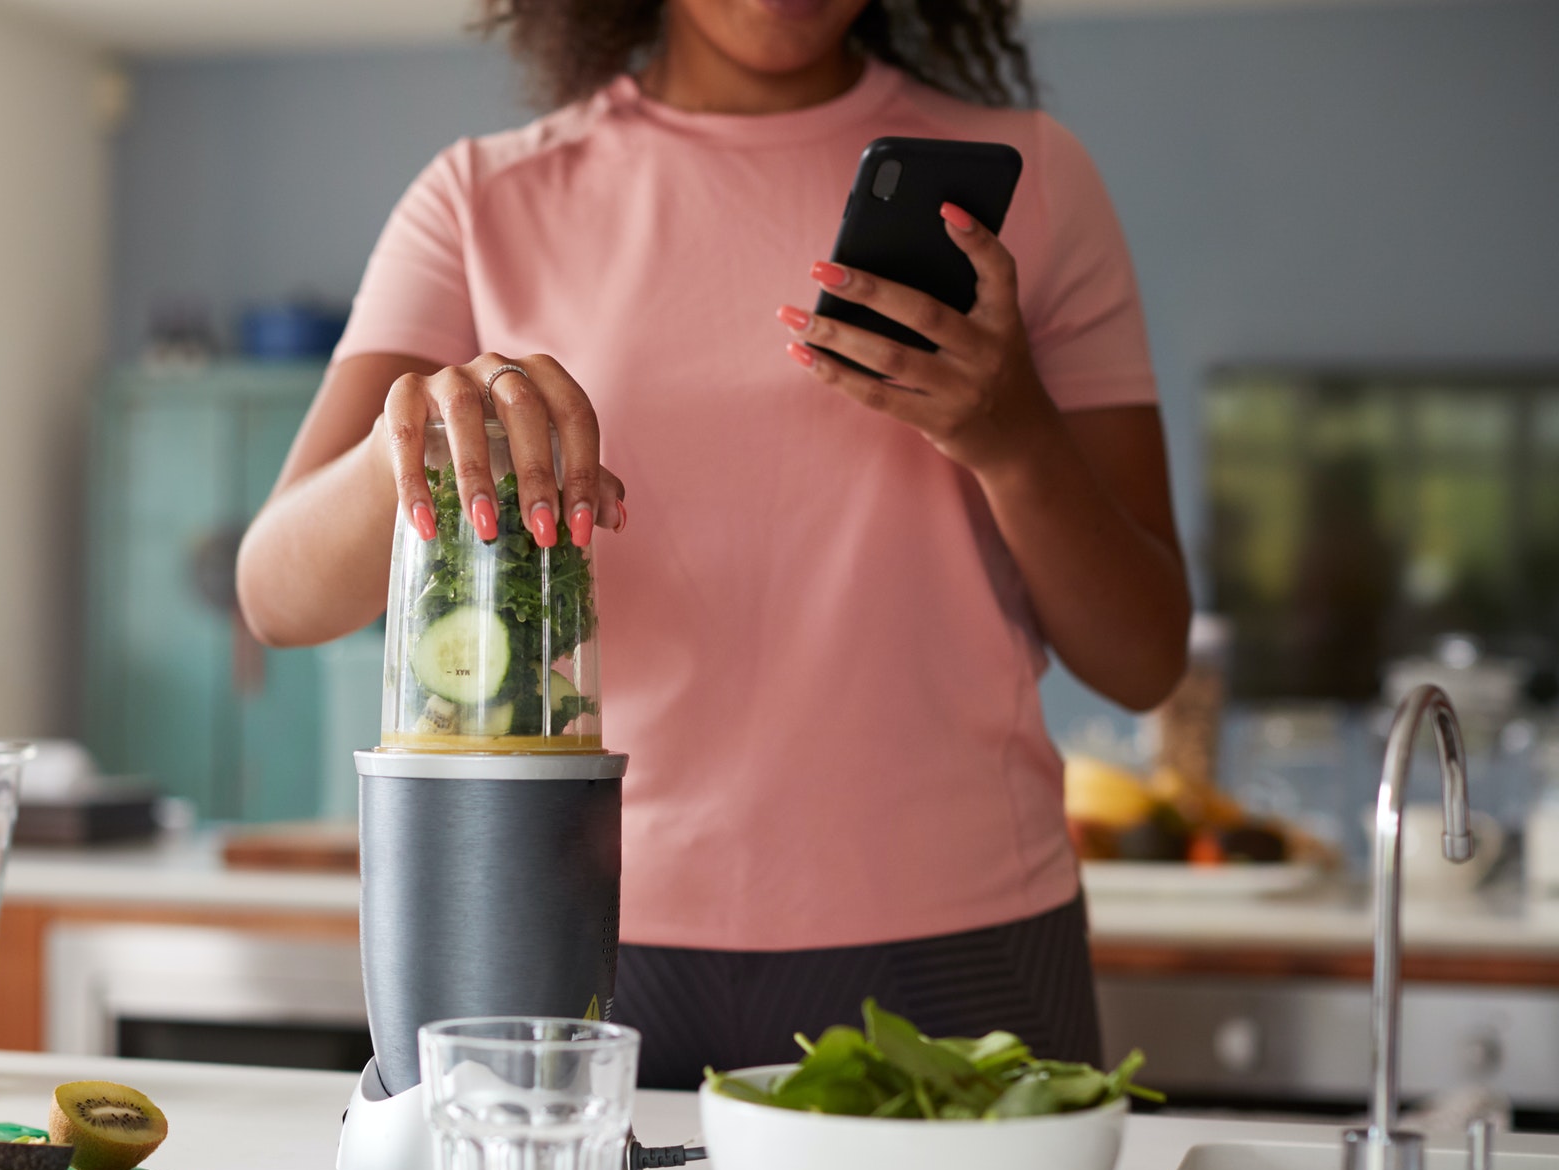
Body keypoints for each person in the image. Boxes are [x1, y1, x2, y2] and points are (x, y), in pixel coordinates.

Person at [237, 0, 1190, 1089]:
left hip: (956, 941)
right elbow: (277, 594)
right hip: (572, 927)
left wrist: (1009, 434)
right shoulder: (481, 200)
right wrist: (398, 446)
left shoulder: (1037, 181)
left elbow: (1142, 657)